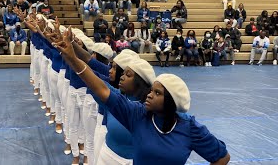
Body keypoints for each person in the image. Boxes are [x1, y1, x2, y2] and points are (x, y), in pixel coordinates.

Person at [53, 27, 231, 165]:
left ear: (171, 101)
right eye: (152, 91)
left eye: (157, 93)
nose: (150, 96)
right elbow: (102, 89)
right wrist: (73, 58)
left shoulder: (190, 127)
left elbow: (222, 157)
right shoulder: (138, 114)